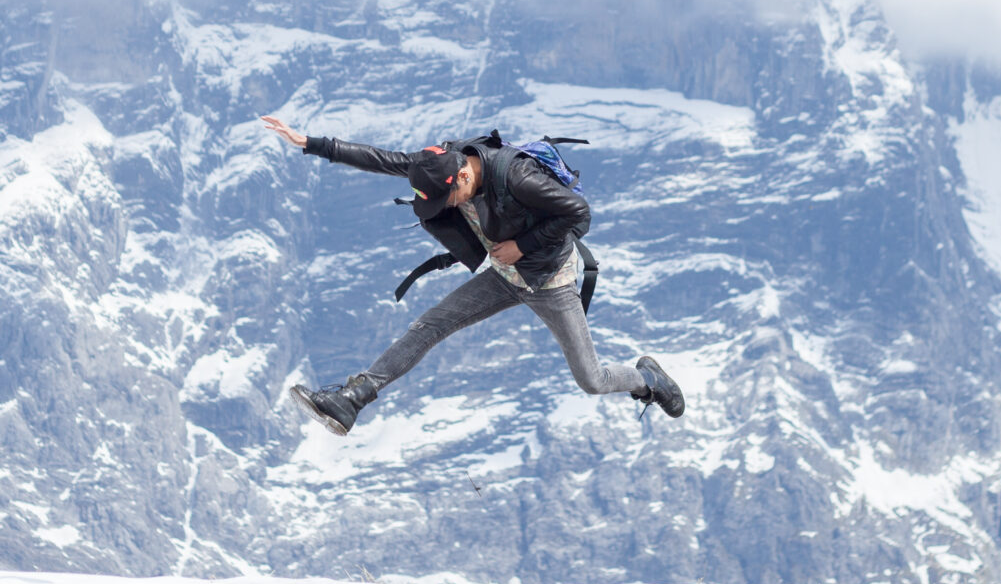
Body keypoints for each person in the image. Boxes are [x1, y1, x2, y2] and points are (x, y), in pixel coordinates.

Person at [259, 113, 687, 435]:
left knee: (592, 380)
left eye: (450, 198)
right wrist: (310, 143)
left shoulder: (516, 176)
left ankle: (649, 378)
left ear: (464, 174)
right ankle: (351, 399)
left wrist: (522, 246)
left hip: (548, 281)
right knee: (429, 325)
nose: (447, 206)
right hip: (504, 275)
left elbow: (579, 213)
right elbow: (384, 159)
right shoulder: (439, 165)